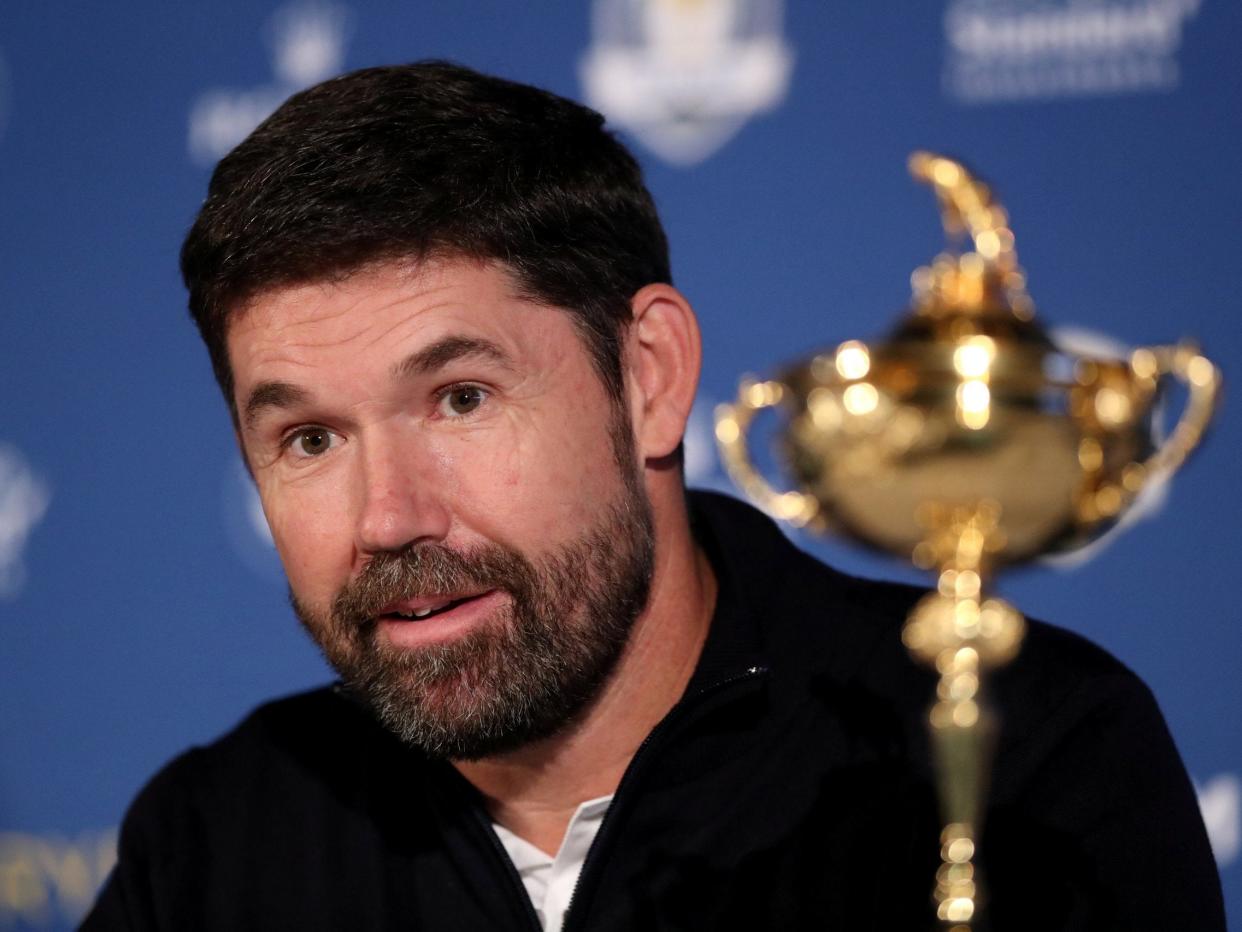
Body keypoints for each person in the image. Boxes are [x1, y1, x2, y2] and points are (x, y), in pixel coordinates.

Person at [82, 61, 1223, 931]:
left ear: (649, 379)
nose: (389, 516)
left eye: (462, 399)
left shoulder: (1024, 756)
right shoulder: (214, 843)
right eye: (311, 436)